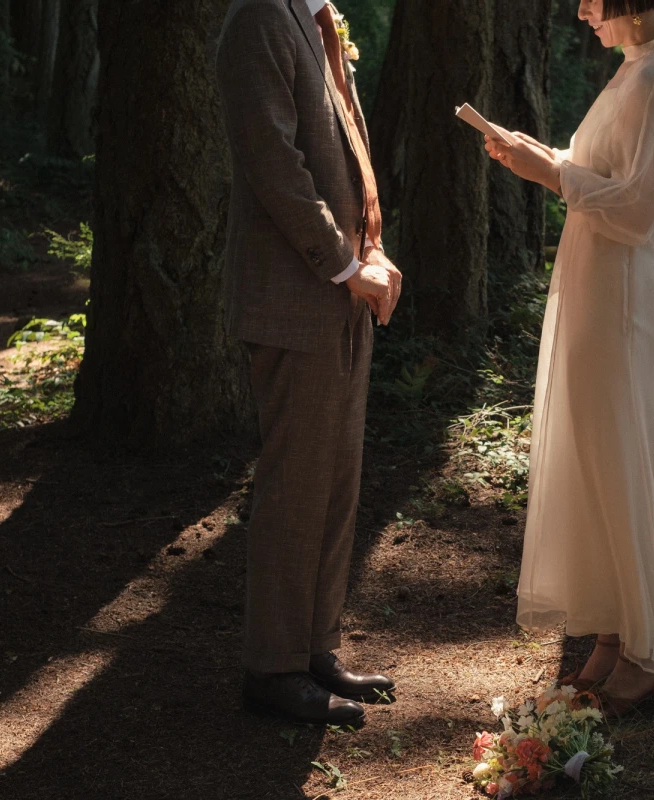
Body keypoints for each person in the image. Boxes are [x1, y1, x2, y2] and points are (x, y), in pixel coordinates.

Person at [485, 0, 654, 716]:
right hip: (600, 294)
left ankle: (650, 654)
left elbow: (642, 208)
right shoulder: (634, 71)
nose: (581, 11)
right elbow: (607, 172)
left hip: (632, 305)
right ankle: (614, 632)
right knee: (602, 464)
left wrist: (550, 175)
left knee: (631, 461)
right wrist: (544, 157)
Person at [216, 0, 403, 726]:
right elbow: (273, 161)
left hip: (342, 294)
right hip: (296, 296)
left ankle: (315, 647)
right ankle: (273, 667)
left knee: (336, 482)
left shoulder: (311, 13)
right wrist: (342, 263)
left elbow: (347, 146)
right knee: (296, 487)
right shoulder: (259, 17)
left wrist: (375, 250)